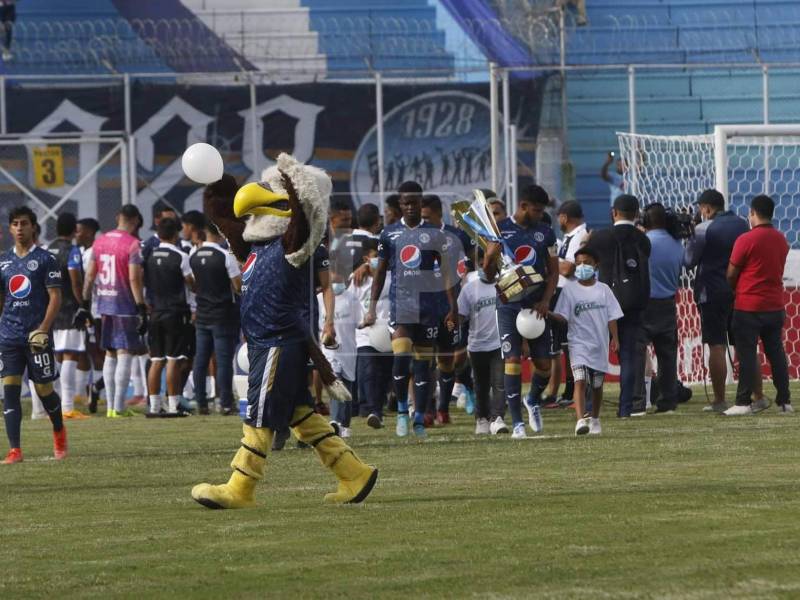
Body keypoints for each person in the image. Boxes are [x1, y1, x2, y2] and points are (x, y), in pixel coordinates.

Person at [193, 154, 376, 509]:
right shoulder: (259, 248)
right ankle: (354, 473)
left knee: (258, 416)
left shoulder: (295, 246)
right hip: (267, 341)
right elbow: (229, 222)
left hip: (280, 341)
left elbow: (305, 219)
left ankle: (240, 486)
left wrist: (293, 179)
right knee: (301, 416)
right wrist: (218, 191)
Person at [362, 181, 457, 438]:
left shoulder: (436, 234)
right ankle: (402, 412)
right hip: (402, 306)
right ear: (400, 205)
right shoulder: (389, 234)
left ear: (421, 202)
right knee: (402, 358)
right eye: (406, 203)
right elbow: (380, 272)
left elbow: (447, 272)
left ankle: (418, 419)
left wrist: (452, 307)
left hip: (428, 307)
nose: (411, 207)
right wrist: (371, 308)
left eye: (415, 203)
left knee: (423, 367)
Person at [483, 184, 559, 439]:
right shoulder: (500, 229)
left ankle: (533, 399)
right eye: (536, 210)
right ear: (523, 206)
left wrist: (546, 300)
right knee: (513, 361)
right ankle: (517, 423)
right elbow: (488, 274)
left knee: (544, 366)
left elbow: (553, 272)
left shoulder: (546, 233)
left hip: (536, 304)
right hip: (508, 304)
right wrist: (489, 257)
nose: (539, 215)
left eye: (542, 211)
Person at [0, 206, 68, 463]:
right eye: (15, 224)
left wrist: (43, 329)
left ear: (33, 227)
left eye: (24, 223)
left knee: (44, 390)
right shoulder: (3, 261)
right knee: (10, 391)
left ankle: (59, 430)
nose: (19, 228)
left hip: (36, 338)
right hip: (9, 336)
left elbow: (55, 297)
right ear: (10, 228)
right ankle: (14, 449)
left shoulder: (45, 259)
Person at [725, 195, 792, 416]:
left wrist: (736, 289)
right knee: (776, 355)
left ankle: (743, 402)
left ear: (753, 213)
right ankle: (785, 401)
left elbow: (732, 273)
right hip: (774, 305)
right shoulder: (781, 239)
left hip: (748, 306)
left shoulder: (745, 240)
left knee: (746, 355)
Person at [684, 189, 750, 413]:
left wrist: (689, 237)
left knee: (717, 345)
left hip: (711, 294)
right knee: (743, 343)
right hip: (738, 290)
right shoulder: (742, 224)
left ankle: (720, 399)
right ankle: (753, 394)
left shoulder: (703, 229)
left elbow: (688, 261)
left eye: (701, 208)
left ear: (708, 208)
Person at [585, 194, 651, 417]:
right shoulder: (643, 240)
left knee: (594, 354)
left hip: (602, 302)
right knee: (630, 357)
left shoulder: (601, 238)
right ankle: (626, 407)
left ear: (614, 212)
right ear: (636, 213)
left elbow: (585, 259)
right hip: (633, 303)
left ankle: (589, 407)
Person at [82, 204, 147, 418]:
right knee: (125, 352)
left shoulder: (99, 242)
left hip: (104, 306)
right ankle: (119, 407)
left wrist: (84, 303)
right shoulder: (133, 244)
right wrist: (141, 306)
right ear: (136, 220)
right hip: (125, 305)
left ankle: (110, 407)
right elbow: (133, 278)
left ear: (118, 217)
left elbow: (90, 276)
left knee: (110, 353)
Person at [551, 247, 622, 435]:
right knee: (580, 381)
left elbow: (612, 316)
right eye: (579, 263)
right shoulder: (569, 290)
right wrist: (549, 315)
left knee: (597, 385)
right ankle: (581, 420)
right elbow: (563, 316)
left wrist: (615, 339)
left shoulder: (604, 290)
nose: (583, 266)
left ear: (595, 265)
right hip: (578, 344)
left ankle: (595, 418)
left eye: (587, 263)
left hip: (599, 344)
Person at [421, 193, 473, 424]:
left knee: (449, 358)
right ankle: (429, 408)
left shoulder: (457, 235)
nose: (423, 221)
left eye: (426, 216)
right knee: (424, 358)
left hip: (451, 302)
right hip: (424, 305)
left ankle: (444, 407)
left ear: (437, 213)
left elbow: (471, 261)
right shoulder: (416, 236)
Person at [630, 203, 685, 414]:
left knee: (637, 353)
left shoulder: (643, 243)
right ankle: (668, 401)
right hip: (668, 304)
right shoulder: (677, 244)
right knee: (667, 356)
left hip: (644, 304)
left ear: (646, 220)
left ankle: (637, 402)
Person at [190, 189, 241, 416]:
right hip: (222, 314)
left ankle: (201, 402)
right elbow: (238, 286)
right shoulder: (225, 256)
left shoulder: (193, 255)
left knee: (200, 360)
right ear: (219, 233)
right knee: (222, 361)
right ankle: (226, 403)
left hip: (202, 313)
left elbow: (192, 283)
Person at [145, 217, 195, 416]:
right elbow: (191, 283)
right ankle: (174, 405)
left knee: (156, 359)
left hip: (155, 311)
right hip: (175, 312)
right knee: (174, 358)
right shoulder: (180, 257)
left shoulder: (149, 255)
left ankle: (155, 406)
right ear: (176, 234)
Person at [458, 249, 507, 435]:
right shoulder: (469, 289)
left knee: (499, 383)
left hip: (499, 343)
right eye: (484, 263)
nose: (488, 266)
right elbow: (461, 316)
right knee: (480, 385)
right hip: (477, 345)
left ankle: (497, 418)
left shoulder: (504, 286)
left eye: (492, 263)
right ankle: (482, 418)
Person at [47, 212, 90, 419]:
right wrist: (83, 305)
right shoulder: (72, 251)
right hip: (69, 309)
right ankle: (67, 407)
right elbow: (75, 281)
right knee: (70, 355)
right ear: (74, 230)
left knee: (58, 356)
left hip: (52, 309)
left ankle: (58, 405)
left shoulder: (48, 249)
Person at [549, 200, 589, 407]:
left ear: (564, 217)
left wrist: (547, 258)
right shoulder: (571, 237)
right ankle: (570, 391)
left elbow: (567, 269)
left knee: (571, 345)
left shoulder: (581, 236)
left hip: (570, 293)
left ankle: (577, 392)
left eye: (559, 217)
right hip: (563, 293)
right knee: (564, 346)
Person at [353, 239, 392, 428]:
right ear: (366, 258)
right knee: (369, 371)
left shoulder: (391, 276)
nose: (379, 260)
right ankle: (373, 411)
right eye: (375, 256)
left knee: (384, 374)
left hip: (387, 333)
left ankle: (379, 407)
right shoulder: (357, 280)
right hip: (365, 334)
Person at [319, 266, 361, 438]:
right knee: (335, 381)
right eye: (332, 281)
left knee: (347, 387)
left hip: (348, 349)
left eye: (338, 281)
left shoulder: (352, 299)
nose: (335, 284)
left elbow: (359, 322)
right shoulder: (319, 299)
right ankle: (335, 421)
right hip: (329, 350)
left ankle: (345, 424)